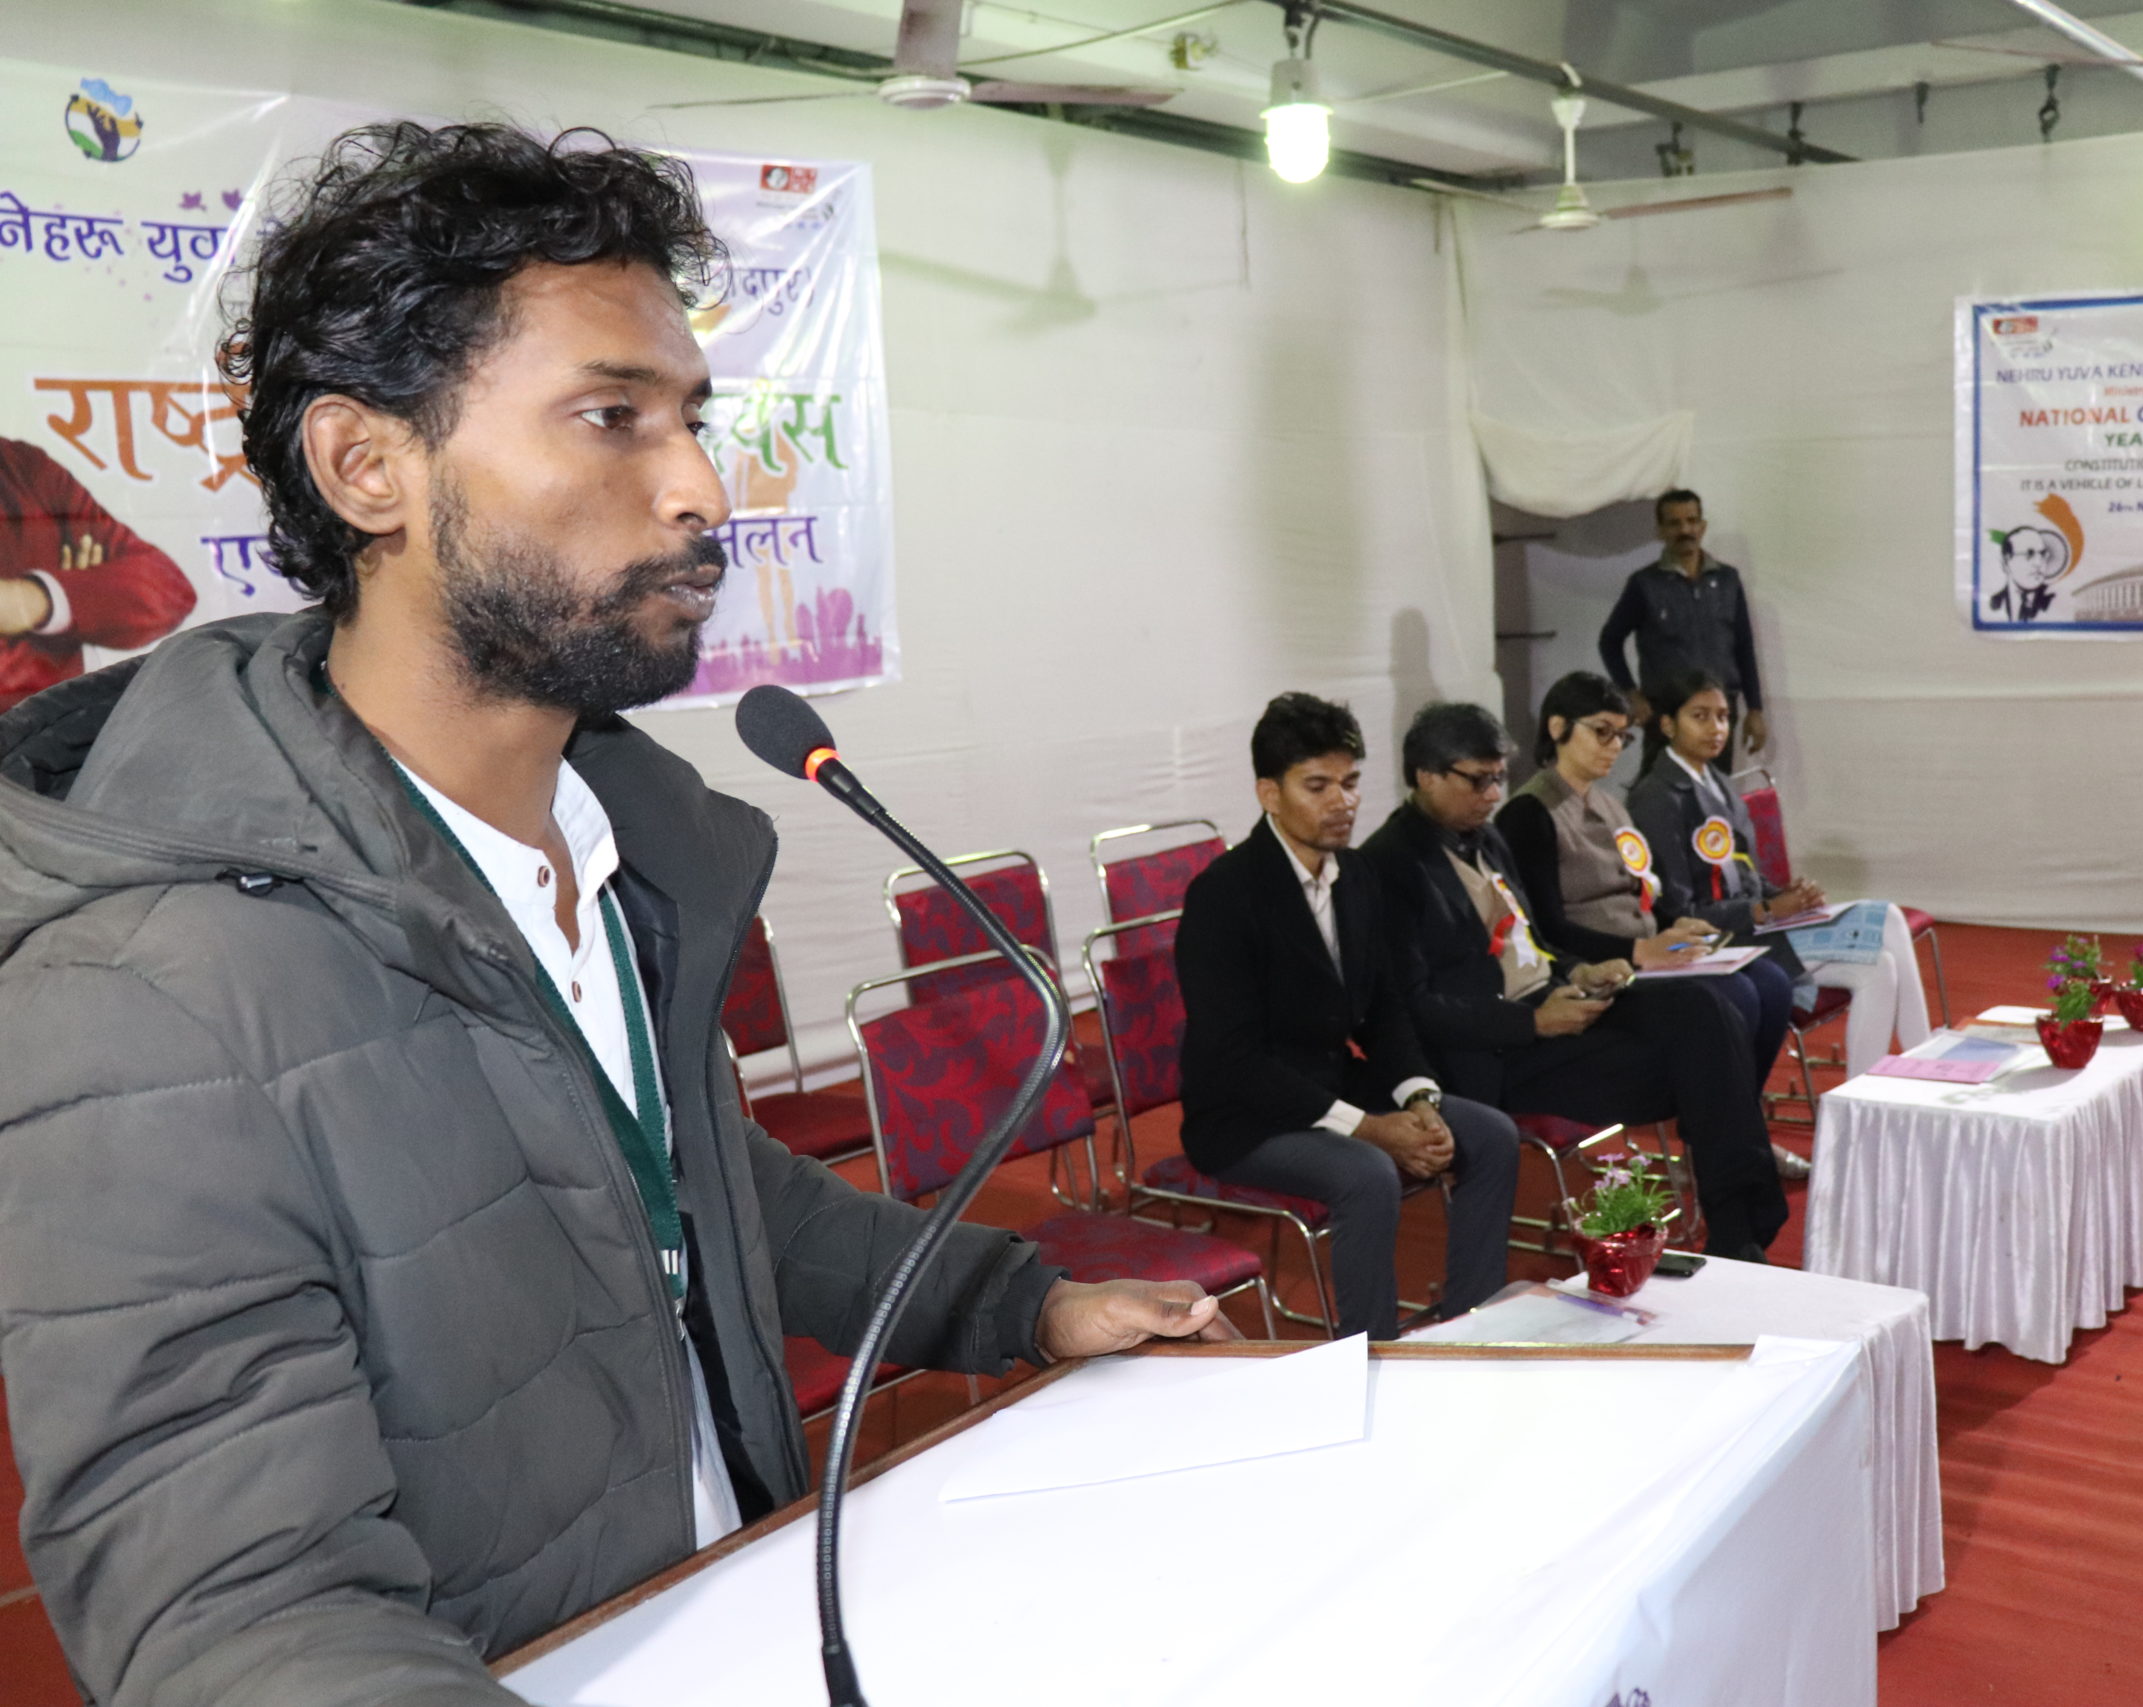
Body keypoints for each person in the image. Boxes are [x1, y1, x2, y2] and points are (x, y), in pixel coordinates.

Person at [0, 122, 1230, 1707]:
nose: (701, 486)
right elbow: (239, 1618)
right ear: (367, 467)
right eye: (610, 417)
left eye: (693, 419)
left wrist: (1021, 1299)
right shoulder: (139, 988)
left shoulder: (620, 846)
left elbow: (692, 1188)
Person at [1365, 702, 1788, 1260]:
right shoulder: (1388, 864)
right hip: (1499, 1048)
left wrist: (1580, 969)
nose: (1493, 794)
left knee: (1704, 1007)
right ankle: (1740, 1232)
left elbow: (1536, 940)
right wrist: (1533, 1022)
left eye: (1499, 778)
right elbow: (1413, 1007)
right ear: (1426, 776)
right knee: (1701, 1065)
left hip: (1555, 1000)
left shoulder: (1484, 838)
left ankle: (1741, 1222)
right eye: (1478, 780)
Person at [1174, 692, 1520, 1339]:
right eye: (1318, 786)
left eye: (1352, 782)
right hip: (1242, 1116)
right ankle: (1370, 1356)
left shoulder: (1357, 875)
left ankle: (1470, 1331)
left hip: (1332, 1085)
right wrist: (1370, 1128)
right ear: (1269, 793)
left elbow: (1384, 1009)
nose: (1343, 801)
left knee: (1491, 1135)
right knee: (1367, 1172)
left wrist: (1419, 1097)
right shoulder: (1223, 894)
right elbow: (1234, 1059)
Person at [1493, 673, 1808, 1180]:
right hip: (1603, 965)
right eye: (1602, 732)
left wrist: (1676, 925)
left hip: (1647, 948)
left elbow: (1642, 890)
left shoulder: (1609, 802)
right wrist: (1641, 950)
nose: (1614, 746)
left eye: (1622, 735)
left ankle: (1733, 1132)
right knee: (1737, 996)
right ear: (1557, 727)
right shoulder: (1530, 812)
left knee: (1770, 983)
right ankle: (1720, 1147)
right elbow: (1547, 928)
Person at [1631, 667, 1932, 1081]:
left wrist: (1788, 896)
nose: (1716, 728)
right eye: (1699, 716)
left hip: (1754, 926)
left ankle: (1854, 1105)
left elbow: (1747, 877)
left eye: (1723, 716)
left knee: (1879, 968)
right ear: (1667, 724)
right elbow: (1677, 911)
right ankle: (1924, 1064)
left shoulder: (1718, 783)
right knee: (1889, 919)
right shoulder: (1655, 797)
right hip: (1715, 942)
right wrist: (1765, 910)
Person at [0, 436, 198, 712]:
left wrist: (37, 599)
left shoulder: (23, 466)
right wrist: (90, 587)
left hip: (62, 727)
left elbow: (166, 590)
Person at [1598, 488, 1764, 773]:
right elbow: (1609, 641)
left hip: (1718, 714)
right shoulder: (1645, 584)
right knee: (1660, 791)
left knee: (1715, 792)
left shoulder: (1728, 580)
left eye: (1691, 521)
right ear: (1661, 530)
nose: (1685, 530)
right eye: (1674, 523)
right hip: (1666, 716)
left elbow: (1744, 647)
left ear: (1703, 526)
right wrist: (1631, 694)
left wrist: (1755, 710)